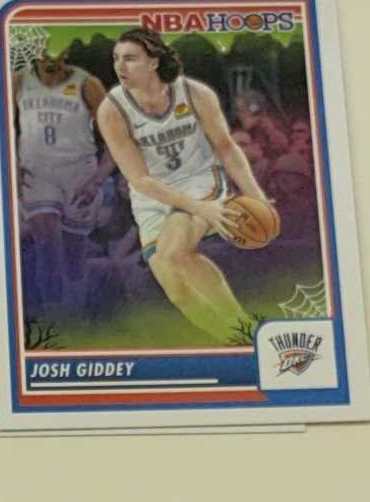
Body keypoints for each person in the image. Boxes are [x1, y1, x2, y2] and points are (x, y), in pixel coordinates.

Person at [95, 27, 265, 341]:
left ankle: (248, 331)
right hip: (151, 194)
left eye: (130, 58)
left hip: (199, 181)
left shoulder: (195, 93)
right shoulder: (111, 110)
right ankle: (231, 342)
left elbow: (226, 147)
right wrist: (197, 209)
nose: (120, 66)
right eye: (116, 58)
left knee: (174, 253)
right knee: (177, 291)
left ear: (153, 62)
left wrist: (255, 195)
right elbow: (139, 179)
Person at [13, 48, 108, 310]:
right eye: (45, 54)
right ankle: (54, 316)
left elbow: (117, 135)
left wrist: (97, 179)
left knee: (73, 252)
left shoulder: (87, 84)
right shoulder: (18, 82)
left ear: (66, 53)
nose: (51, 61)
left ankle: (75, 313)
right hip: (37, 172)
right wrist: (12, 164)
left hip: (79, 173)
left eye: (57, 54)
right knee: (47, 242)